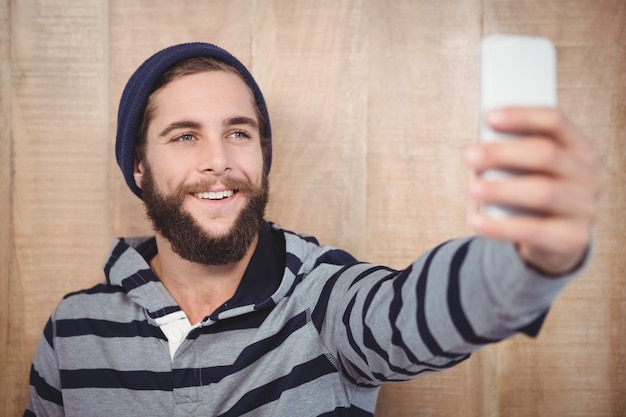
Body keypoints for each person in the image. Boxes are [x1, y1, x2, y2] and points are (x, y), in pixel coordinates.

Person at [24, 42, 598, 417]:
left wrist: (525, 260)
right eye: (185, 136)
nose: (218, 159)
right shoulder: (73, 332)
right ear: (139, 167)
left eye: (239, 133)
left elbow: (412, 313)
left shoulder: (324, 296)